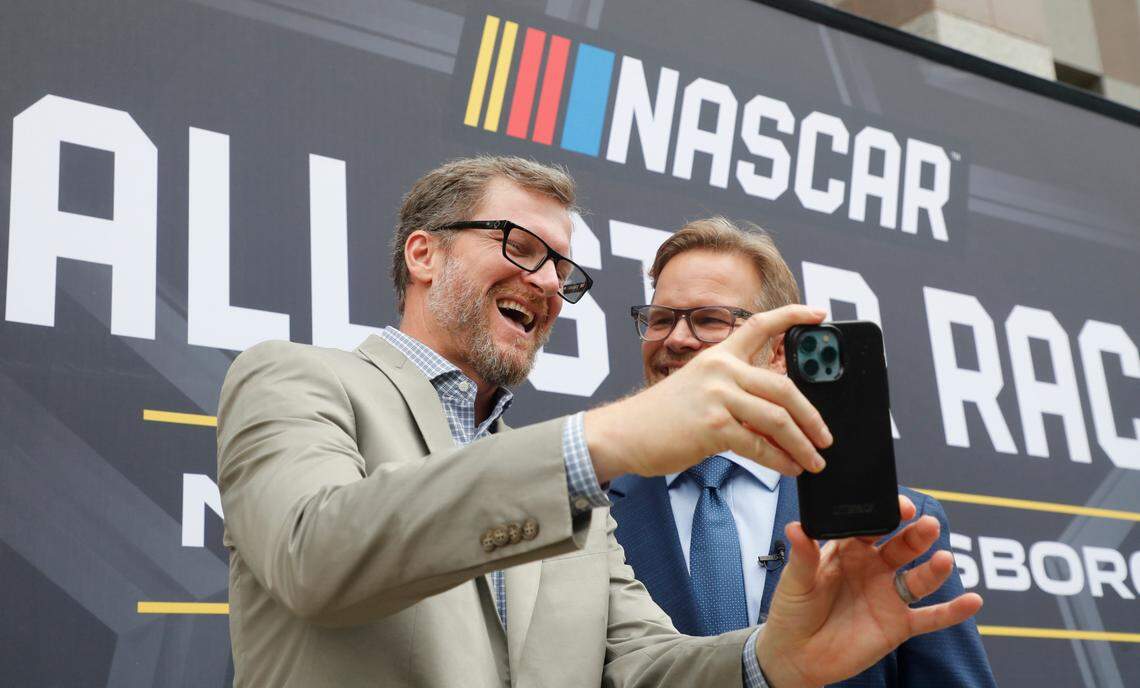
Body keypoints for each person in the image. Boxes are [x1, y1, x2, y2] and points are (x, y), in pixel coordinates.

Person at [217, 157, 982, 687]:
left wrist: (775, 660)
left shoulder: (567, 492)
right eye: (520, 246)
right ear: (424, 254)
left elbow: (644, 667)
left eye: (562, 269)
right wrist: (606, 440)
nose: (547, 282)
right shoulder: (293, 378)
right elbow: (314, 553)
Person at [609, 217, 997, 687]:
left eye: (709, 319)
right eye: (661, 319)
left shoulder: (892, 526)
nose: (675, 339)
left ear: (777, 352)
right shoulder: (588, 512)